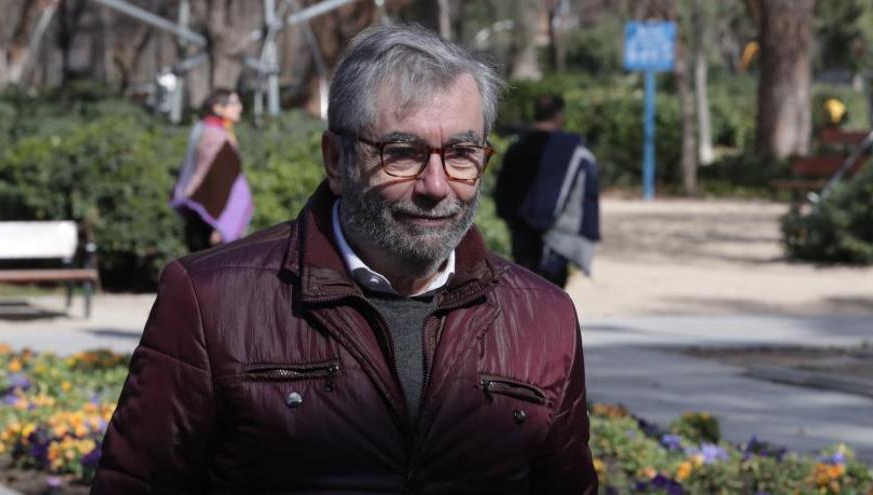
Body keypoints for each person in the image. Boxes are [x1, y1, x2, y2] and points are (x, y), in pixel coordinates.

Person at [92, 24, 597, 494]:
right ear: (336, 159)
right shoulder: (210, 302)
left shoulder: (543, 318)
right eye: (402, 152)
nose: (436, 186)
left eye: (462, 154)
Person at [494, 94, 600, 288]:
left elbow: (502, 190)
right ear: (559, 116)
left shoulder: (517, 146)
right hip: (557, 239)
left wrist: (510, 219)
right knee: (553, 294)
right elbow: (587, 197)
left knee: (525, 288)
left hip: (521, 234)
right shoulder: (575, 150)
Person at [171, 89, 253, 252]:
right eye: (234, 103)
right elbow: (217, 182)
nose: (240, 107)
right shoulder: (214, 135)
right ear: (218, 108)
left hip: (202, 214)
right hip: (208, 219)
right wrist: (220, 223)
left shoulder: (208, 129)